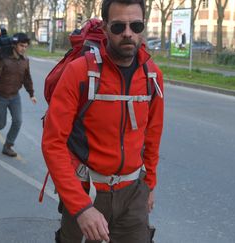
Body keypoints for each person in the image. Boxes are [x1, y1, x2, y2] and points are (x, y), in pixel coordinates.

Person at [41, 0, 164, 242]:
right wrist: (80, 207)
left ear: (143, 27)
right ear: (105, 27)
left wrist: (149, 184)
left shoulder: (152, 75)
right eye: (118, 27)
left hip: (133, 193)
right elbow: (53, 143)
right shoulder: (79, 72)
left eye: (135, 25)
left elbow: (152, 135)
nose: (128, 33)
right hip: (86, 190)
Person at [0, 32, 37, 157]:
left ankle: (8, 146)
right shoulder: (3, 57)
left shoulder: (24, 60)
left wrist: (31, 93)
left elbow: (27, 78)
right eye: (21, 46)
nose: (23, 49)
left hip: (14, 96)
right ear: (15, 45)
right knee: (1, 124)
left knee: (18, 121)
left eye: (26, 46)